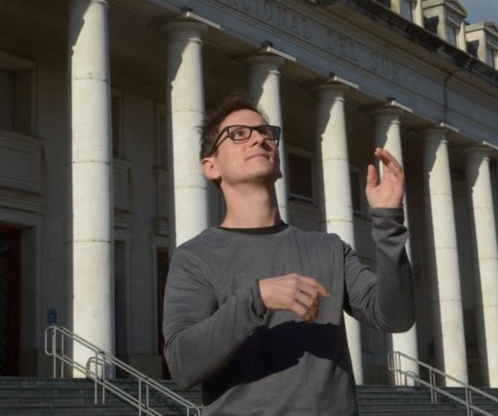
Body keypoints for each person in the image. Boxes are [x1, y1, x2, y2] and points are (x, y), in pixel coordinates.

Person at [162, 93, 415, 415]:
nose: (259, 138)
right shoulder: (195, 257)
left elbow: (395, 316)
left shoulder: (329, 248)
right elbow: (183, 365)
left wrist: (388, 221)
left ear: (279, 163)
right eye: (239, 134)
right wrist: (256, 297)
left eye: (266, 133)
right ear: (211, 167)